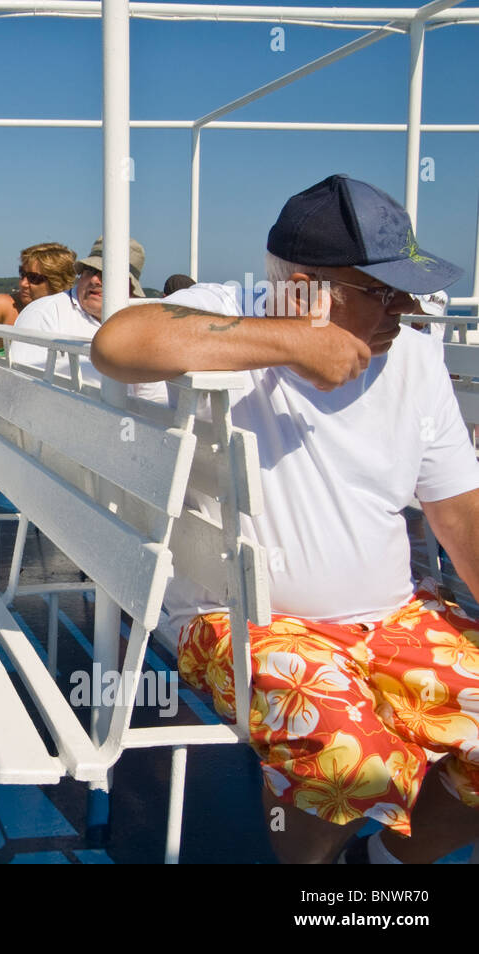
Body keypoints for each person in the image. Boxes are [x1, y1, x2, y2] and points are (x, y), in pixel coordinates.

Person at [91, 174, 479, 864]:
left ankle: (386, 867)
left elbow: (457, 510)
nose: (408, 308)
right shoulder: (227, 314)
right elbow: (120, 343)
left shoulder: (416, 357)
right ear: (306, 285)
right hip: (245, 623)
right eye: (384, 291)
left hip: (395, 617)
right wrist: (295, 342)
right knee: (349, 758)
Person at [9, 237, 166, 403]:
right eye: (90, 271)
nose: (94, 280)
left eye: (107, 274)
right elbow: (23, 388)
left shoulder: (140, 326)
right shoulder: (44, 313)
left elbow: (154, 398)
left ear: (130, 289)